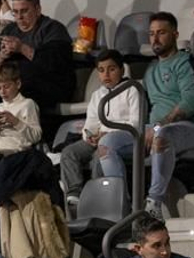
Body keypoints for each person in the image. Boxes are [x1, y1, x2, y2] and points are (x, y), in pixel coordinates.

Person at [105, 13, 194, 217]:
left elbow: (191, 102)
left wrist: (158, 126)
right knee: (107, 144)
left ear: (175, 34)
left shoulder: (184, 62)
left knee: (161, 137)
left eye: (161, 33)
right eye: (151, 34)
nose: (155, 39)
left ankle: (154, 204)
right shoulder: (150, 70)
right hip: (155, 127)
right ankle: (120, 204)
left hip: (191, 128)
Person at [56, 49, 141, 196]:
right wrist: (89, 135)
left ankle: (98, 197)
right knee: (69, 153)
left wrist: (106, 134)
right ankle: (75, 195)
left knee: (99, 156)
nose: (106, 75)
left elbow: (135, 123)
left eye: (111, 69)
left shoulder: (132, 90)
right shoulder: (97, 95)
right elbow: (91, 123)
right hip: (99, 138)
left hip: (121, 138)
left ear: (122, 70)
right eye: (101, 70)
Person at [0, 0, 74, 112]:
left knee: (23, 75)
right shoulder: (10, 30)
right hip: (11, 85)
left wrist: (22, 48)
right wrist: (2, 54)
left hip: (46, 86)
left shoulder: (52, 29)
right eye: (15, 12)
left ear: (37, 9)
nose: (19, 17)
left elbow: (54, 64)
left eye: (24, 11)